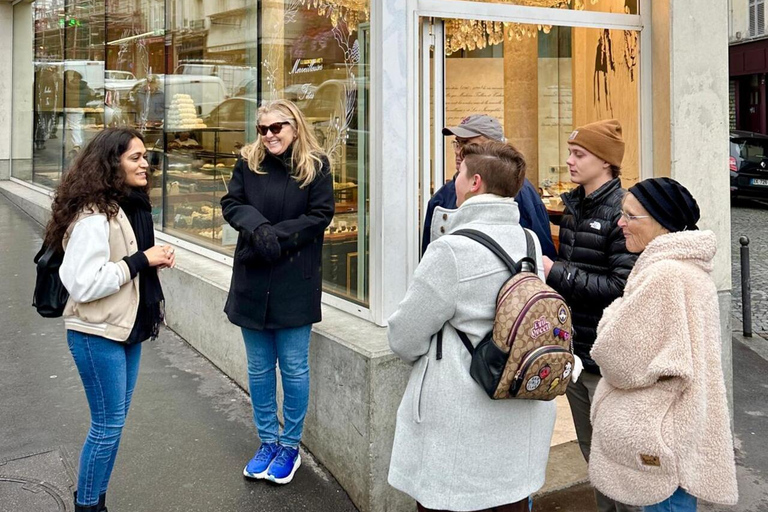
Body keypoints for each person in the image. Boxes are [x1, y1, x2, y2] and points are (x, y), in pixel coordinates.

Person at [388, 141, 555, 512]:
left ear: (475, 182)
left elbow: (404, 337)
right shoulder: (528, 240)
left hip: (462, 423)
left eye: (459, 172)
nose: (455, 179)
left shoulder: (451, 250)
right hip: (518, 411)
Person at [45, 128, 176, 512]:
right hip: (96, 332)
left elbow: (126, 262)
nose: (145, 164)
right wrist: (142, 261)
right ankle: (87, 506)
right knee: (106, 427)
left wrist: (150, 259)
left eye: (146, 156)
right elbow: (84, 283)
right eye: (135, 157)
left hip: (123, 328)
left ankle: (94, 500)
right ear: (111, 163)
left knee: (113, 425)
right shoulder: (93, 215)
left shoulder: (129, 206)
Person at [589, 177, 738, 511]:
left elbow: (617, 359)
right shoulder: (687, 269)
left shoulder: (664, 275)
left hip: (662, 443)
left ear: (662, 222)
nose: (620, 223)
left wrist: (613, 315)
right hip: (679, 434)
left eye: (630, 216)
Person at [221, 99, 334, 485]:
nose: (269, 135)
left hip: (294, 282)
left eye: (277, 128)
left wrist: (275, 237)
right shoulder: (248, 162)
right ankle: (267, 441)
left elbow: (320, 216)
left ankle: (290, 446)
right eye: (262, 129)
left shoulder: (315, 166)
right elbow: (232, 203)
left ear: (295, 126)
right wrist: (257, 227)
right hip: (252, 280)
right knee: (258, 368)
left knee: (294, 368)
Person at [541, 119, 639, 512]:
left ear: (606, 162)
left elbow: (621, 286)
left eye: (579, 154)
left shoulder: (623, 211)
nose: (569, 161)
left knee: (618, 458)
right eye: (570, 153)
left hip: (608, 359)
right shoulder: (575, 206)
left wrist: (556, 272)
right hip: (577, 353)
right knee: (592, 452)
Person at [423, 114, 556, 259]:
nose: (458, 150)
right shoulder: (442, 197)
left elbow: (543, 256)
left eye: (468, 143)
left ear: (494, 146)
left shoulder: (522, 192)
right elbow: (428, 256)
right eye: (457, 143)